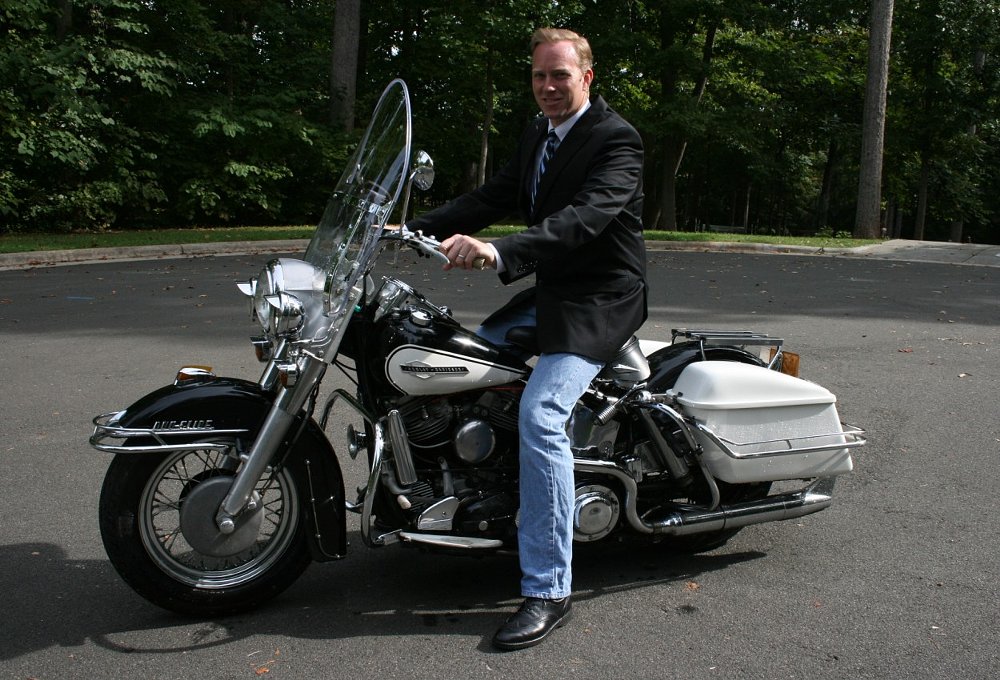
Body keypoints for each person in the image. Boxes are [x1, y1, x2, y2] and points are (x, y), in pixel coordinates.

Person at [406, 27, 647, 650]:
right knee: (464, 366)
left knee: (541, 415)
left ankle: (548, 587)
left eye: (560, 75)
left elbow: (585, 219)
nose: (548, 86)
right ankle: (487, 494)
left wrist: (499, 251)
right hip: (553, 293)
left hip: (601, 299)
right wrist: (410, 227)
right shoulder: (539, 132)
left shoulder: (615, 139)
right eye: (539, 75)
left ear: (586, 77)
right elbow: (495, 195)